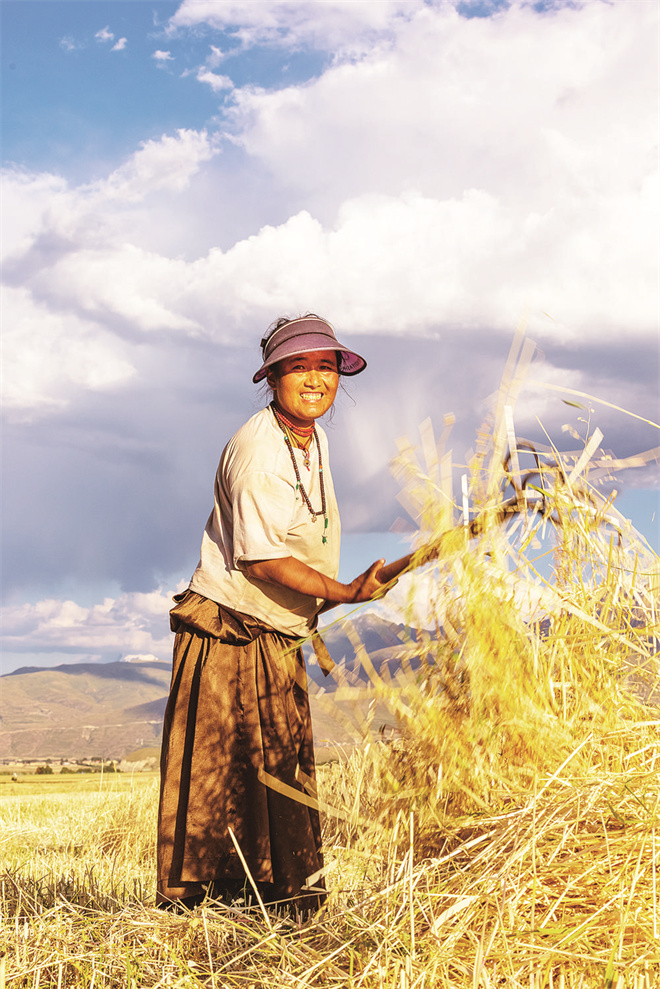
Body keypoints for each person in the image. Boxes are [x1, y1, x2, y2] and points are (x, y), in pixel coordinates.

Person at [157, 314, 392, 914]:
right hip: (231, 630)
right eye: (299, 366)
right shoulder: (260, 451)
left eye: (326, 366)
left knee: (277, 770)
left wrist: (333, 593)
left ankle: (277, 904)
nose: (315, 378)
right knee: (221, 775)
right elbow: (261, 559)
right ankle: (199, 913)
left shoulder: (312, 438)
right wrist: (342, 591)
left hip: (276, 632)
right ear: (273, 378)